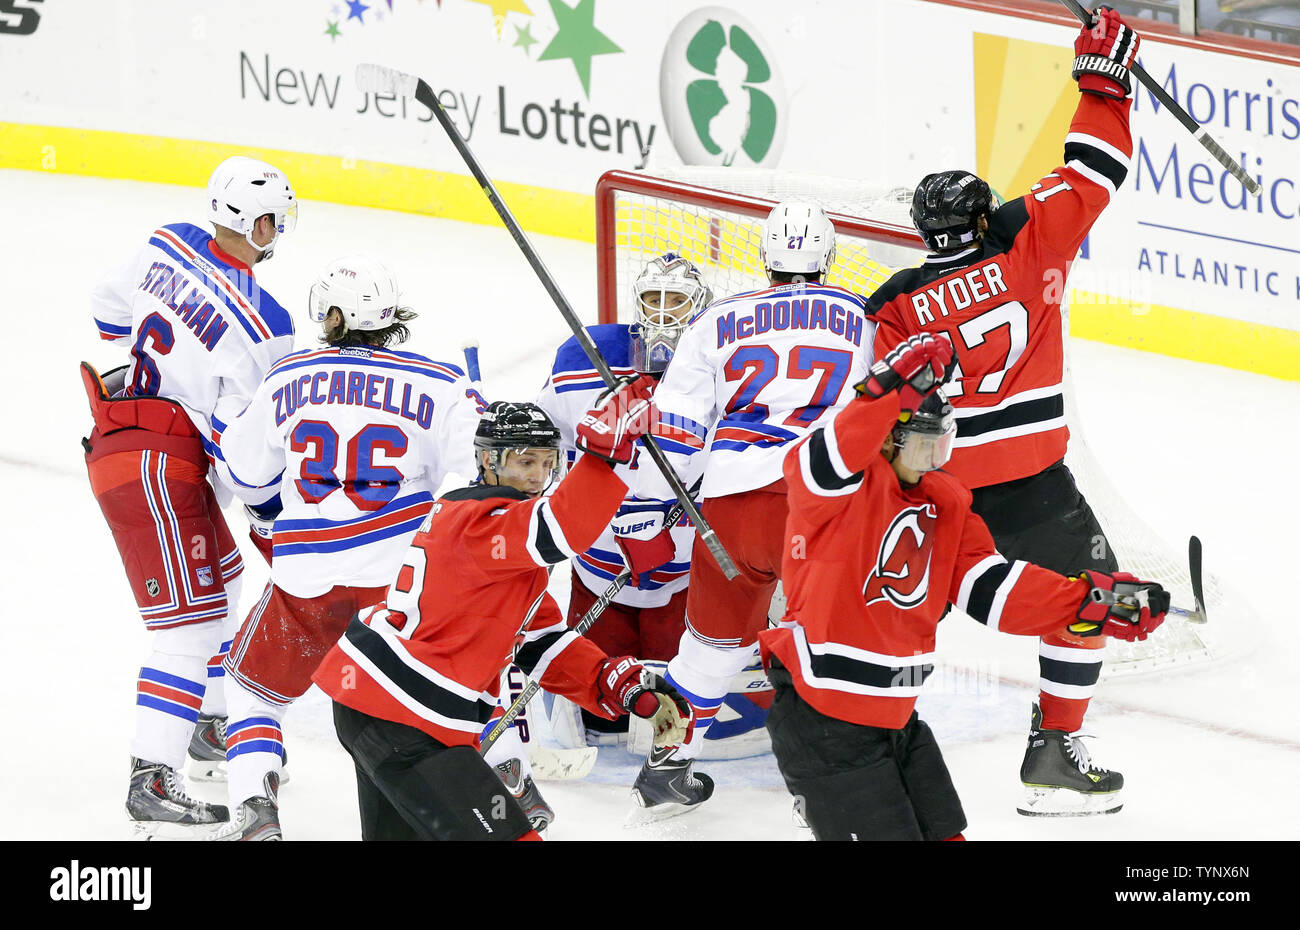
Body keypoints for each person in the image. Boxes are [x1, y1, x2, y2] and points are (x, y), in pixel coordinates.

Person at [864, 5, 1143, 816]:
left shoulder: (894, 302)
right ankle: (1054, 751)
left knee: (886, 624)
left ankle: (859, 756)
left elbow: (872, 407)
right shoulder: (1029, 234)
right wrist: (1105, 80)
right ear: (983, 215)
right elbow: (1095, 165)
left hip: (933, 491)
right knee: (1095, 599)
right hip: (1033, 485)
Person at [761, 333, 1170, 840]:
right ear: (887, 437)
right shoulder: (836, 490)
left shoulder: (946, 501)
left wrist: (1090, 602)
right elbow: (823, 456)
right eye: (921, 443)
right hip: (823, 719)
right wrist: (884, 392)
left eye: (941, 441)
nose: (934, 457)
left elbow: (993, 590)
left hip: (896, 718)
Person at [311, 390, 694, 841]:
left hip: (375, 705)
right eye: (525, 462)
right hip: (405, 719)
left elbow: (541, 643)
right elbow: (562, 528)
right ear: (488, 461)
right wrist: (602, 459)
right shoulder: (482, 519)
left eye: (548, 464)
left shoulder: (498, 539)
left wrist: (617, 685)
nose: (538, 477)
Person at [208, 255, 487, 839]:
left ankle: (256, 811)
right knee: (449, 687)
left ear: (334, 315)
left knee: (250, 690)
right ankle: (507, 779)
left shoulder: (288, 376)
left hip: (308, 582)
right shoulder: (441, 382)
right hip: (398, 583)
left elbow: (248, 478)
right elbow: (467, 491)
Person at [620, 203, 874, 818]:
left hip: (733, 508)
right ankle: (836, 787)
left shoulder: (715, 320)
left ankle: (665, 772)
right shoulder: (863, 319)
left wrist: (656, 507)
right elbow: (885, 414)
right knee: (833, 650)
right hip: (825, 502)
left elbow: (676, 431)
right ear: (829, 257)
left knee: (708, 648)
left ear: (764, 258)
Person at [82, 155, 297, 838]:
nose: (279, 229)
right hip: (162, 467)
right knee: (187, 630)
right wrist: (272, 518)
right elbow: (243, 452)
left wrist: (126, 378)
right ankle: (152, 776)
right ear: (251, 220)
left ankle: (207, 723)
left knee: (222, 583)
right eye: (273, 217)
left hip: (129, 442)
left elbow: (105, 302)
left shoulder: (169, 239)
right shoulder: (266, 321)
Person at [534, 253, 711, 738]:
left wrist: (674, 515)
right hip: (597, 562)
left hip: (683, 571)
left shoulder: (718, 360)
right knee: (600, 713)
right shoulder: (583, 355)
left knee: (673, 714)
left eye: (675, 301)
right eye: (653, 299)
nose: (663, 313)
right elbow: (552, 440)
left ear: (698, 307)